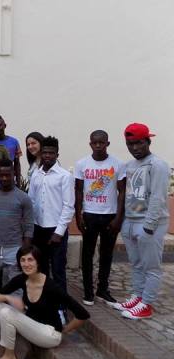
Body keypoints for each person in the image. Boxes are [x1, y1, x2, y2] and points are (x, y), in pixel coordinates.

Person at [0, 245, 90, 359]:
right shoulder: (22, 279)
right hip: (32, 326)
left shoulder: (52, 287)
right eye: (23, 260)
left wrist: (65, 330)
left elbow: (83, 314)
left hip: (48, 334)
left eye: (30, 260)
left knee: (6, 313)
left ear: (38, 262)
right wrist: (9, 298)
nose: (26, 264)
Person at [115, 123, 170, 320]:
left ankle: (146, 303)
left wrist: (149, 225)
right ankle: (137, 296)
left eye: (139, 143)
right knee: (136, 264)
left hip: (149, 223)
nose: (135, 148)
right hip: (130, 221)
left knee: (151, 267)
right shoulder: (129, 165)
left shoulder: (158, 165)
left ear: (148, 141)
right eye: (130, 144)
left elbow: (158, 197)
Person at [74, 130, 126, 306]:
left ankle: (102, 289)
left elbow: (122, 192)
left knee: (106, 254)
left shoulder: (118, 164)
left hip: (109, 216)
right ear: (90, 144)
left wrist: (118, 218)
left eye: (101, 143)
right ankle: (88, 292)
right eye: (94, 143)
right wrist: (78, 215)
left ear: (107, 144)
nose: (98, 146)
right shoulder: (82, 164)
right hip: (89, 215)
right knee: (87, 254)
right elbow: (79, 191)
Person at [0, 159, 33, 328]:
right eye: (1, 175)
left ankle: (13, 318)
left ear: (13, 175)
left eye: (7, 175)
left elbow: (28, 224)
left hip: (15, 247)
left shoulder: (23, 198)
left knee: (15, 284)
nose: (4, 178)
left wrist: (25, 249)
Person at [28, 136, 74, 295]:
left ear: (57, 155)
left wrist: (59, 232)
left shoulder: (65, 176)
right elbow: (31, 201)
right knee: (41, 267)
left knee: (58, 268)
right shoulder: (36, 174)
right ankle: (44, 301)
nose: (47, 156)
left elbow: (69, 206)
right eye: (45, 152)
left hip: (56, 230)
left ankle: (61, 306)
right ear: (41, 153)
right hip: (38, 228)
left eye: (51, 153)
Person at [0, 115, 23, 185]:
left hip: (8, 178)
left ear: (4, 125)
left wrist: (18, 182)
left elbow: (17, 163)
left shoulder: (14, 141)